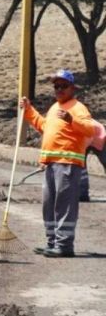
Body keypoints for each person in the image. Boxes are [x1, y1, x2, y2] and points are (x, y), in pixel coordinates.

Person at [20, 69, 95, 257]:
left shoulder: (77, 108)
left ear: (72, 88)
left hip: (68, 164)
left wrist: (72, 120)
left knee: (64, 204)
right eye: (56, 86)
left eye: (63, 86)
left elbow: (90, 130)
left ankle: (64, 245)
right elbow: (44, 126)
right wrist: (29, 109)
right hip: (51, 164)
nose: (59, 89)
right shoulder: (55, 107)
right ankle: (52, 241)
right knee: (49, 204)